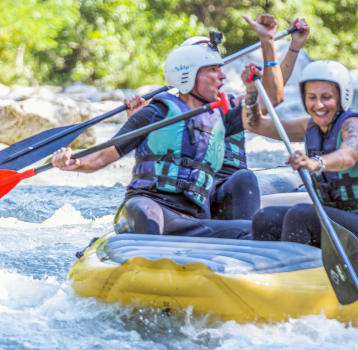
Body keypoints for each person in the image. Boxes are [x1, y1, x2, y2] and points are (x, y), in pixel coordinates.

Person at [51, 21, 282, 238]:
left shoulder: (222, 116)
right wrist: (74, 163)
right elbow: (103, 155)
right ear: (189, 74)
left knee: (251, 231)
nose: (222, 76)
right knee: (144, 213)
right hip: (151, 207)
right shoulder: (155, 113)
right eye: (213, 70)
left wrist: (268, 43)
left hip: (192, 217)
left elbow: (271, 99)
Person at [124, 14, 309, 222]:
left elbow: (271, 94)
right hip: (186, 190)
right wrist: (135, 120)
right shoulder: (165, 110)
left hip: (228, 188)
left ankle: (246, 239)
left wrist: (293, 48)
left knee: (244, 178)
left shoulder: (232, 106)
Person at [244, 60, 358, 259]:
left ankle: (292, 275)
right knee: (265, 218)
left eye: (326, 97)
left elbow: (347, 156)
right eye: (311, 98)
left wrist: (316, 162)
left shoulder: (355, 126)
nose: (318, 105)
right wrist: (252, 91)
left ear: (342, 97)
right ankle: (264, 275)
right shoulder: (310, 127)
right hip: (334, 223)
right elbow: (255, 125)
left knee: (302, 214)